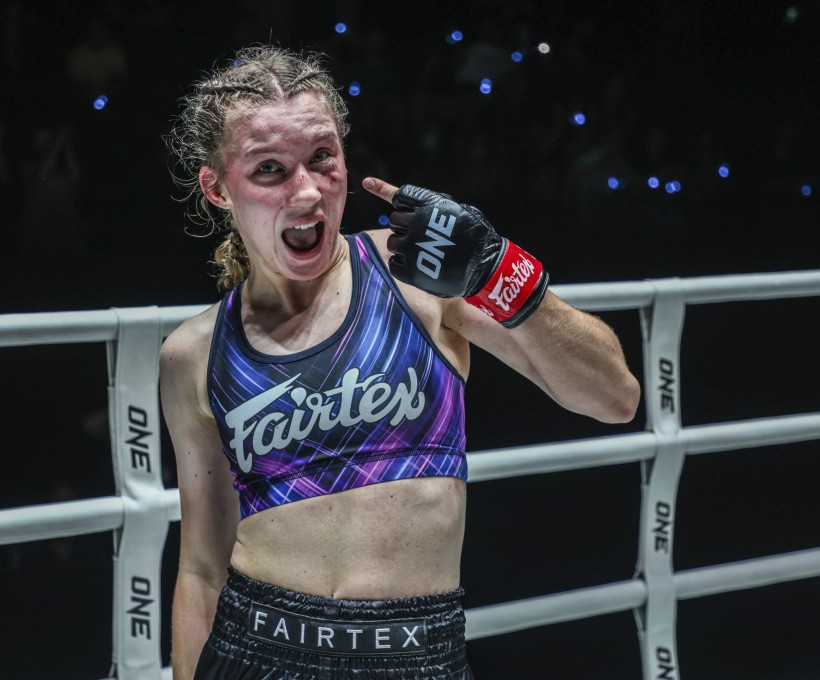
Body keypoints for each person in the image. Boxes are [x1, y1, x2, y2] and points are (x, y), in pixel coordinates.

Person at [161, 45, 640, 679]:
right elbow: (200, 567)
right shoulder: (193, 354)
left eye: (321, 159)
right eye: (270, 170)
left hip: (416, 654)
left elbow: (615, 397)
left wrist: (500, 271)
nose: (306, 191)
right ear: (218, 188)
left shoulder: (416, 274)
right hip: (255, 651)